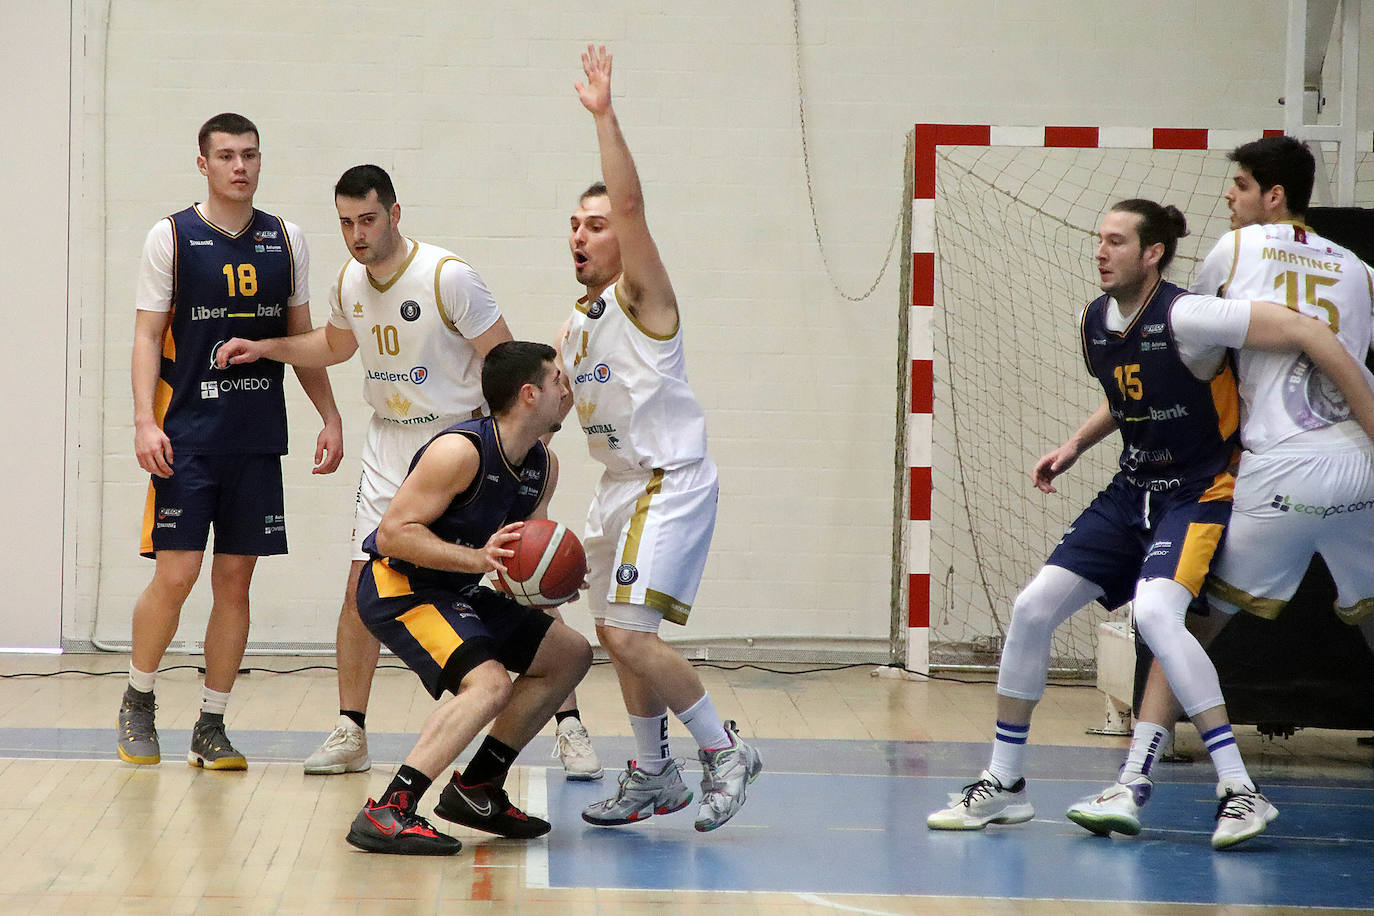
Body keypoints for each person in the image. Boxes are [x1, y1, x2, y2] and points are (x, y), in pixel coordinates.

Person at [925, 198, 1374, 850]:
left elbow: (1307, 333)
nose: (1100, 251)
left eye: (1115, 241)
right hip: (1129, 491)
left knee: (1158, 617)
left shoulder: (1191, 314)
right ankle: (1005, 784)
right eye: (1098, 239)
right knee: (1031, 608)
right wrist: (1075, 444)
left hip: (1196, 492)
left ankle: (1237, 787)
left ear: (1152, 253)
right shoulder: (1095, 323)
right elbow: (1132, 395)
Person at [216, 165, 602, 781]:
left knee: (522, 569)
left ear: (395, 214)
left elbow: (506, 362)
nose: (356, 234)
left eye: (367, 220)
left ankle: (570, 723)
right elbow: (336, 347)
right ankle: (351, 729)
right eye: (345, 223)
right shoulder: (350, 281)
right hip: (391, 446)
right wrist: (269, 349)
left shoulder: (449, 279)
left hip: (458, 446)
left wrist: (518, 444)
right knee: (360, 585)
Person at [1066, 136, 1374, 838]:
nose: (1228, 199)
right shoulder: (1359, 268)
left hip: (1280, 468)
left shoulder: (1233, 254)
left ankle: (1135, 779)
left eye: (1238, 186)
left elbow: (1175, 346)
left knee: (1183, 623)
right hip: (1360, 463)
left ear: (1273, 195)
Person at [560, 44, 762, 833]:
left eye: (598, 224)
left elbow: (635, 208)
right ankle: (653, 773)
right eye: (575, 224)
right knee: (615, 635)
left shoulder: (645, 301)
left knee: (627, 631)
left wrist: (606, 117)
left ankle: (722, 750)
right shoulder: (575, 327)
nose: (583, 234)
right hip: (615, 488)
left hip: (666, 480)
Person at [118, 112, 344, 770]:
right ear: (204, 164)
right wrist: (143, 420)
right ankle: (138, 698)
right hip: (186, 435)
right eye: (226, 156)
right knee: (179, 573)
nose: (239, 166)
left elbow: (304, 341)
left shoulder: (287, 239)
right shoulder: (172, 237)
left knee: (236, 583)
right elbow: (142, 336)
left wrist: (328, 415)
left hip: (256, 436)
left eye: (249, 154)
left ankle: (211, 724)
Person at [342, 341, 593, 856]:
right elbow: (392, 534)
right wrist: (480, 560)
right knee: (490, 684)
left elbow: (521, 560)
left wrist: (552, 578)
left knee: (571, 653)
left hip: (453, 587)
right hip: (398, 587)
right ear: (529, 394)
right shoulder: (460, 451)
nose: (567, 390)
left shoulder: (543, 464)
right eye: (557, 382)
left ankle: (478, 789)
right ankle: (389, 810)